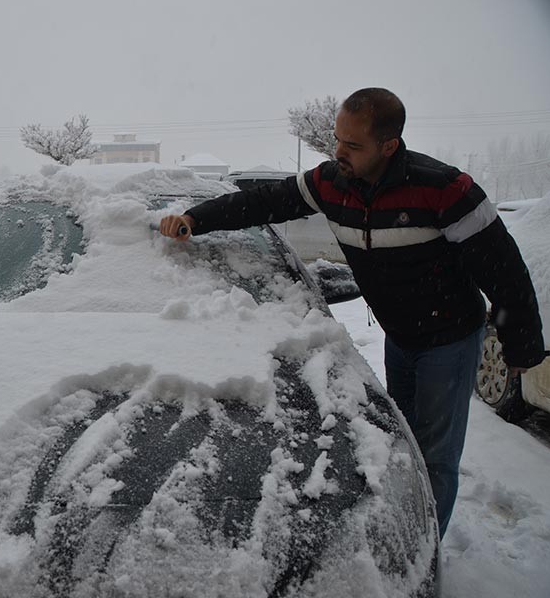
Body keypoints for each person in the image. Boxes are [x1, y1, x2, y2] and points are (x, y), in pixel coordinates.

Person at [159, 88, 545, 539]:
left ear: (389, 146)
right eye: (337, 139)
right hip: (402, 337)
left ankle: (420, 557)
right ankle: (397, 533)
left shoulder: (444, 189)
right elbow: (263, 202)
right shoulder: (330, 182)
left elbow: (504, 269)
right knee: (400, 445)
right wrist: (194, 218)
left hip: (449, 338)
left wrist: (521, 343)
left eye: (353, 145)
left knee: (434, 456)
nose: (339, 152)